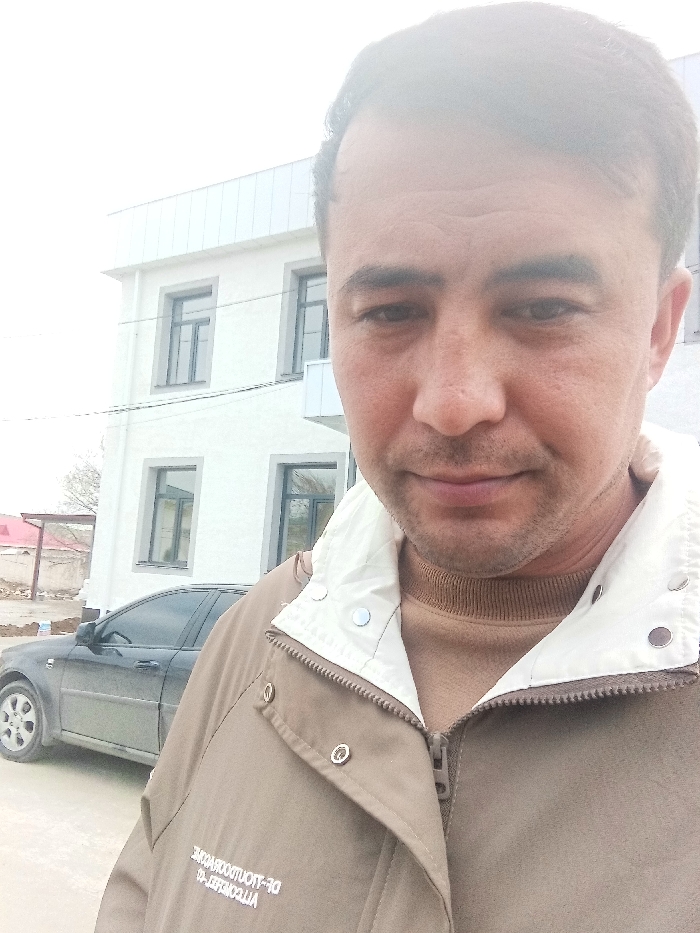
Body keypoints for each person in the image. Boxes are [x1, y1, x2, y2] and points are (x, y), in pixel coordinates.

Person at [96, 4, 700, 931]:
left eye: (543, 306)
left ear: (659, 329)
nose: (454, 402)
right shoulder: (264, 634)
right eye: (389, 312)